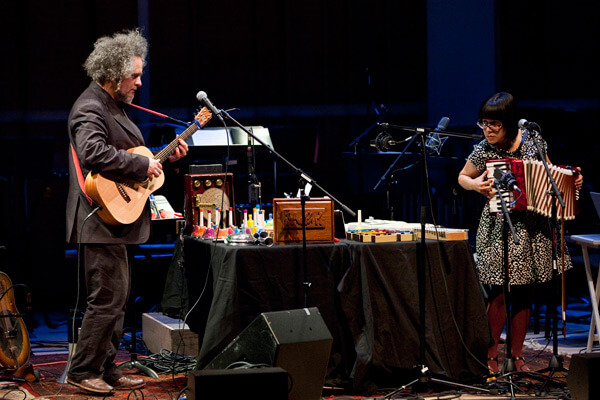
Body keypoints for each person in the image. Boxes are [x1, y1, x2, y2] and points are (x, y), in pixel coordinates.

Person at [65, 28, 188, 393]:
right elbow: (94, 154)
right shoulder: (90, 106)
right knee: (106, 299)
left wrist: (164, 160)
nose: (139, 81)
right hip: (97, 218)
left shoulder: (112, 106)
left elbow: (133, 157)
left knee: (117, 299)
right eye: (134, 75)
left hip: (115, 221)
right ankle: (83, 371)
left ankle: (105, 368)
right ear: (113, 74)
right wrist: (140, 167)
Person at [458, 92, 583, 373]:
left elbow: (549, 172)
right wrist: (477, 185)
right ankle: (490, 356)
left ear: (510, 123)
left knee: (525, 292)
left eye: (494, 124)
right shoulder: (483, 150)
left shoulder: (532, 140)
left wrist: (571, 180)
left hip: (534, 227)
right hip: (498, 225)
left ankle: (516, 357)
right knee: (500, 293)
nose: (488, 130)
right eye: (483, 123)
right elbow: (462, 177)